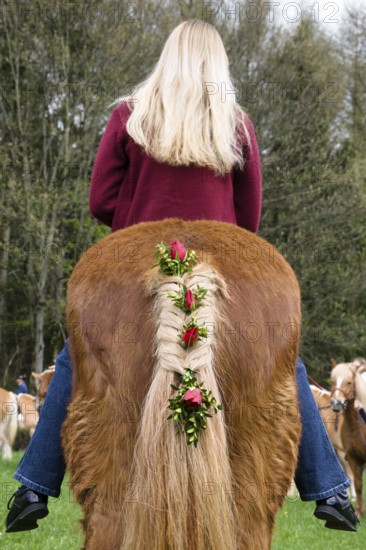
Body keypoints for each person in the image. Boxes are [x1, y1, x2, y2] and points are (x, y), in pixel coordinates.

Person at [5, 19, 358, 534]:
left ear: (166, 59)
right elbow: (250, 220)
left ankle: (34, 484)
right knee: (287, 360)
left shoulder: (131, 115)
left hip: (137, 262)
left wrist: (137, 227)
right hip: (224, 268)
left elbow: (99, 200)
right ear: (218, 67)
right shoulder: (235, 123)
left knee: (73, 353)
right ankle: (328, 490)